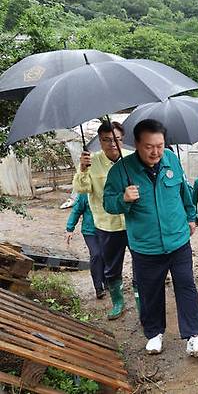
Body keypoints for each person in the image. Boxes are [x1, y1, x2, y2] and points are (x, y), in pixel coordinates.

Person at [103, 119, 198, 357]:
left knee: (186, 285)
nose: (155, 152)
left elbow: (184, 190)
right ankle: (154, 333)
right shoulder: (121, 170)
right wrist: (123, 198)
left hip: (178, 240)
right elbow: (107, 204)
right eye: (149, 146)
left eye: (160, 146)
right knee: (150, 290)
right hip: (145, 245)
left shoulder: (171, 159)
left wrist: (191, 215)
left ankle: (194, 336)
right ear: (137, 144)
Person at [73, 120, 134, 320]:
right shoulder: (91, 162)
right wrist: (82, 169)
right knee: (112, 266)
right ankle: (117, 301)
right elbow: (82, 189)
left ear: (122, 140)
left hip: (134, 222)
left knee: (142, 263)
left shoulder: (132, 159)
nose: (112, 144)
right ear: (100, 141)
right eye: (107, 140)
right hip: (107, 225)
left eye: (117, 139)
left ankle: (141, 299)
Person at [65, 193, 105, 299]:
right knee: (96, 254)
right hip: (90, 231)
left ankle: (108, 282)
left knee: (106, 255)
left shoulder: (105, 188)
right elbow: (76, 210)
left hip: (106, 230)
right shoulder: (84, 193)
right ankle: (98, 288)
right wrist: (70, 228)